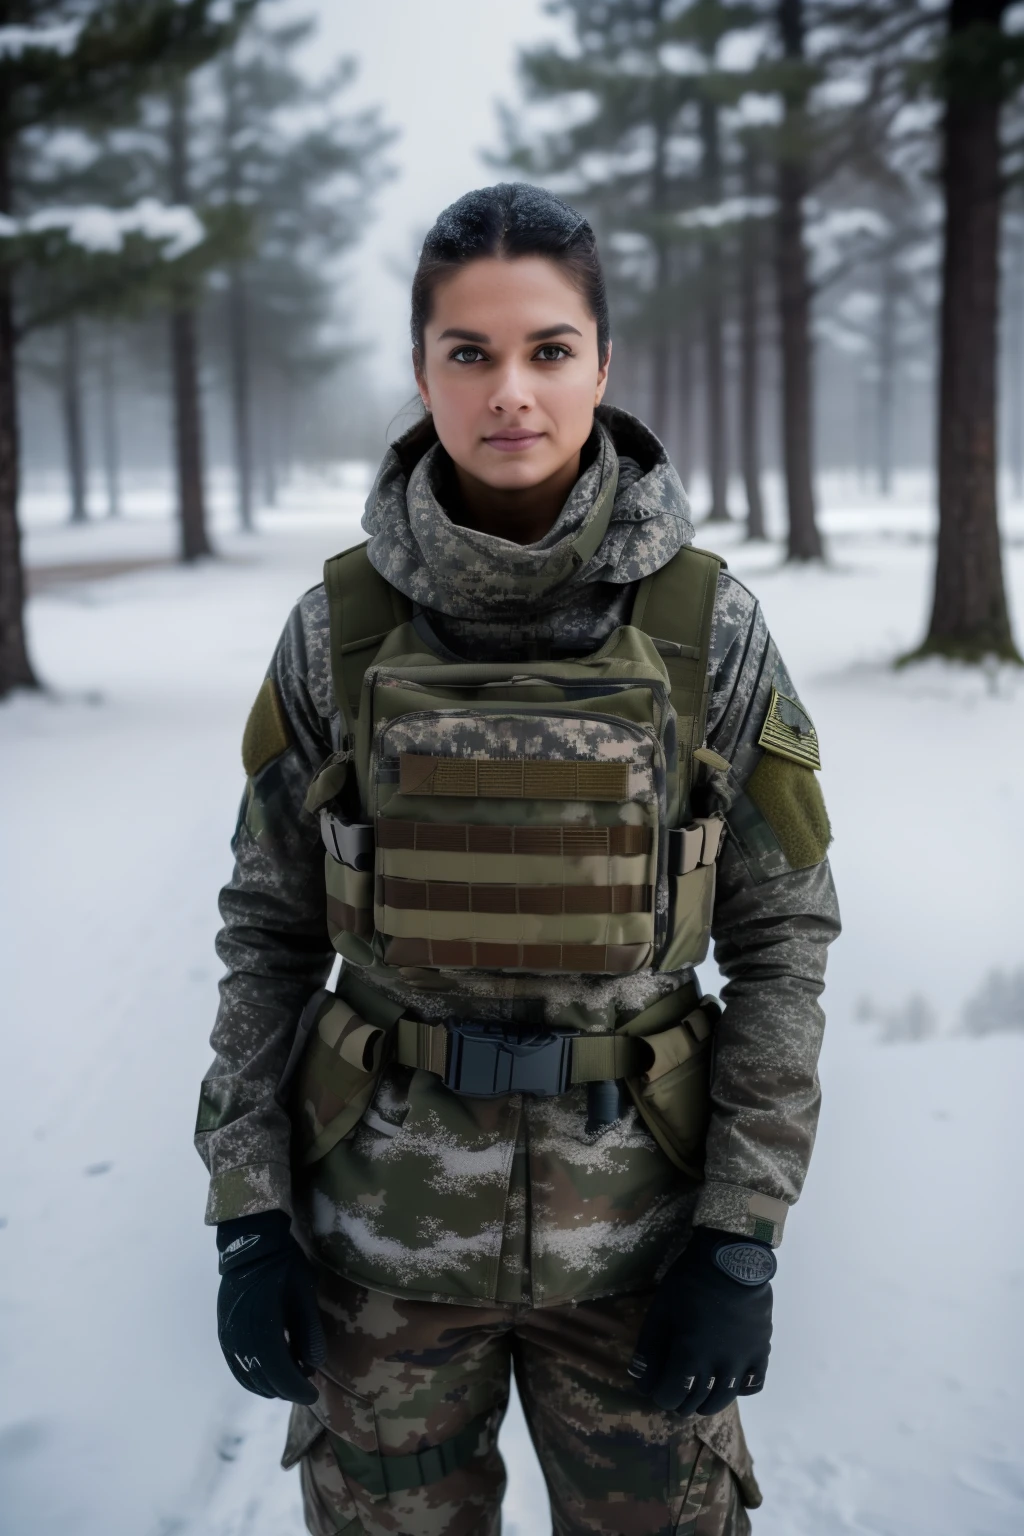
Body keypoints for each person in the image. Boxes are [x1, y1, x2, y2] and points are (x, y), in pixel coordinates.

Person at [196, 182, 840, 1536]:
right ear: (421, 368)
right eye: (469, 353)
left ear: (603, 363)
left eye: (550, 351)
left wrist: (740, 1231)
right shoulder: (339, 629)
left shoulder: (707, 627)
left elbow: (782, 941)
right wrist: (249, 1212)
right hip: (380, 1252)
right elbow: (267, 933)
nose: (512, 395)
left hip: (642, 1254)